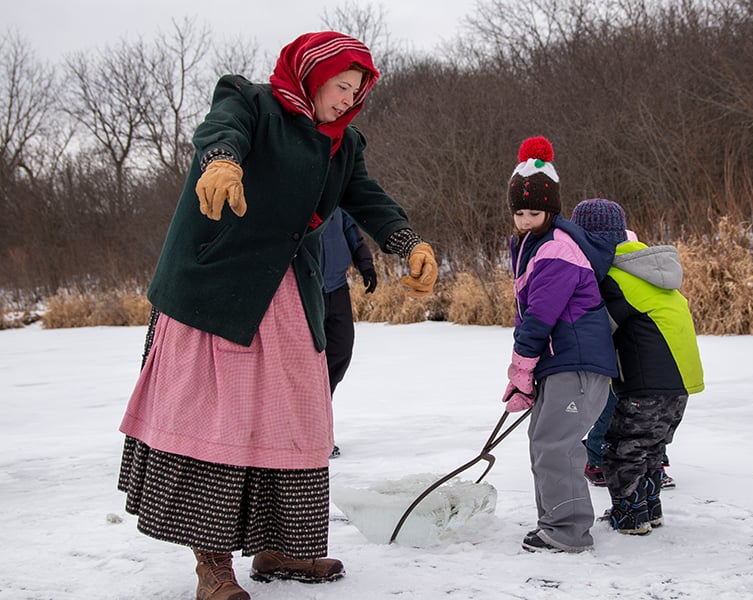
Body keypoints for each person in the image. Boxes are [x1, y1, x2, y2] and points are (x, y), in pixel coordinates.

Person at [116, 32, 437, 600]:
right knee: (217, 418)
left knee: (293, 414)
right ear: (313, 76)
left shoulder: (344, 142)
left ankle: (278, 545)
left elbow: (366, 196)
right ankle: (211, 567)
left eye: (356, 91)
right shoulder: (250, 101)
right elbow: (221, 132)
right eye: (340, 87)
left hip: (289, 289)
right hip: (218, 289)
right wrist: (220, 163)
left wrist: (407, 241)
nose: (346, 99)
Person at [501, 136, 619, 554]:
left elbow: (540, 316)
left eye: (534, 212)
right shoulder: (531, 245)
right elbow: (528, 312)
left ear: (551, 210)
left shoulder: (556, 249)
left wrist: (521, 367)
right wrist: (526, 375)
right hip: (561, 362)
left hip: (578, 365)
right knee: (543, 439)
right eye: (518, 212)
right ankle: (554, 523)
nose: (525, 219)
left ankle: (568, 532)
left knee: (556, 443)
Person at [571, 198, 704, 535]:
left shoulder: (614, 279)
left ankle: (629, 516)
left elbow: (597, 332)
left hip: (648, 383)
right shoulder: (646, 269)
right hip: (681, 381)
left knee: (621, 450)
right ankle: (650, 508)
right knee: (651, 450)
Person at [321, 208, 377, 459]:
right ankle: (316, 435)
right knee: (308, 367)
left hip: (336, 286)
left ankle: (319, 422)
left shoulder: (335, 184)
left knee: (341, 352)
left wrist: (364, 262)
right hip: (302, 287)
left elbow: (348, 228)